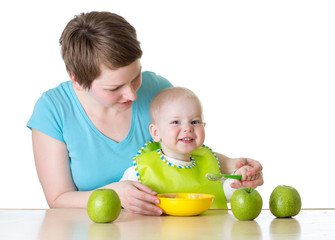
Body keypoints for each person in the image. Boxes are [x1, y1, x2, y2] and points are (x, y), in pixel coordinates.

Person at [27, 11, 263, 216]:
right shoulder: (53, 110)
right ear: (77, 81)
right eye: (114, 88)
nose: (132, 94)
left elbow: (182, 151)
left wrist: (231, 166)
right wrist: (114, 193)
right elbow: (58, 198)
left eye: (136, 77)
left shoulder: (158, 89)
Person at [120, 87, 255, 209]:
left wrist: (238, 180)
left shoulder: (209, 165)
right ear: (156, 132)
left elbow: (221, 194)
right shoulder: (140, 172)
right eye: (176, 122)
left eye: (195, 122)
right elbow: (121, 198)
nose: (187, 128)